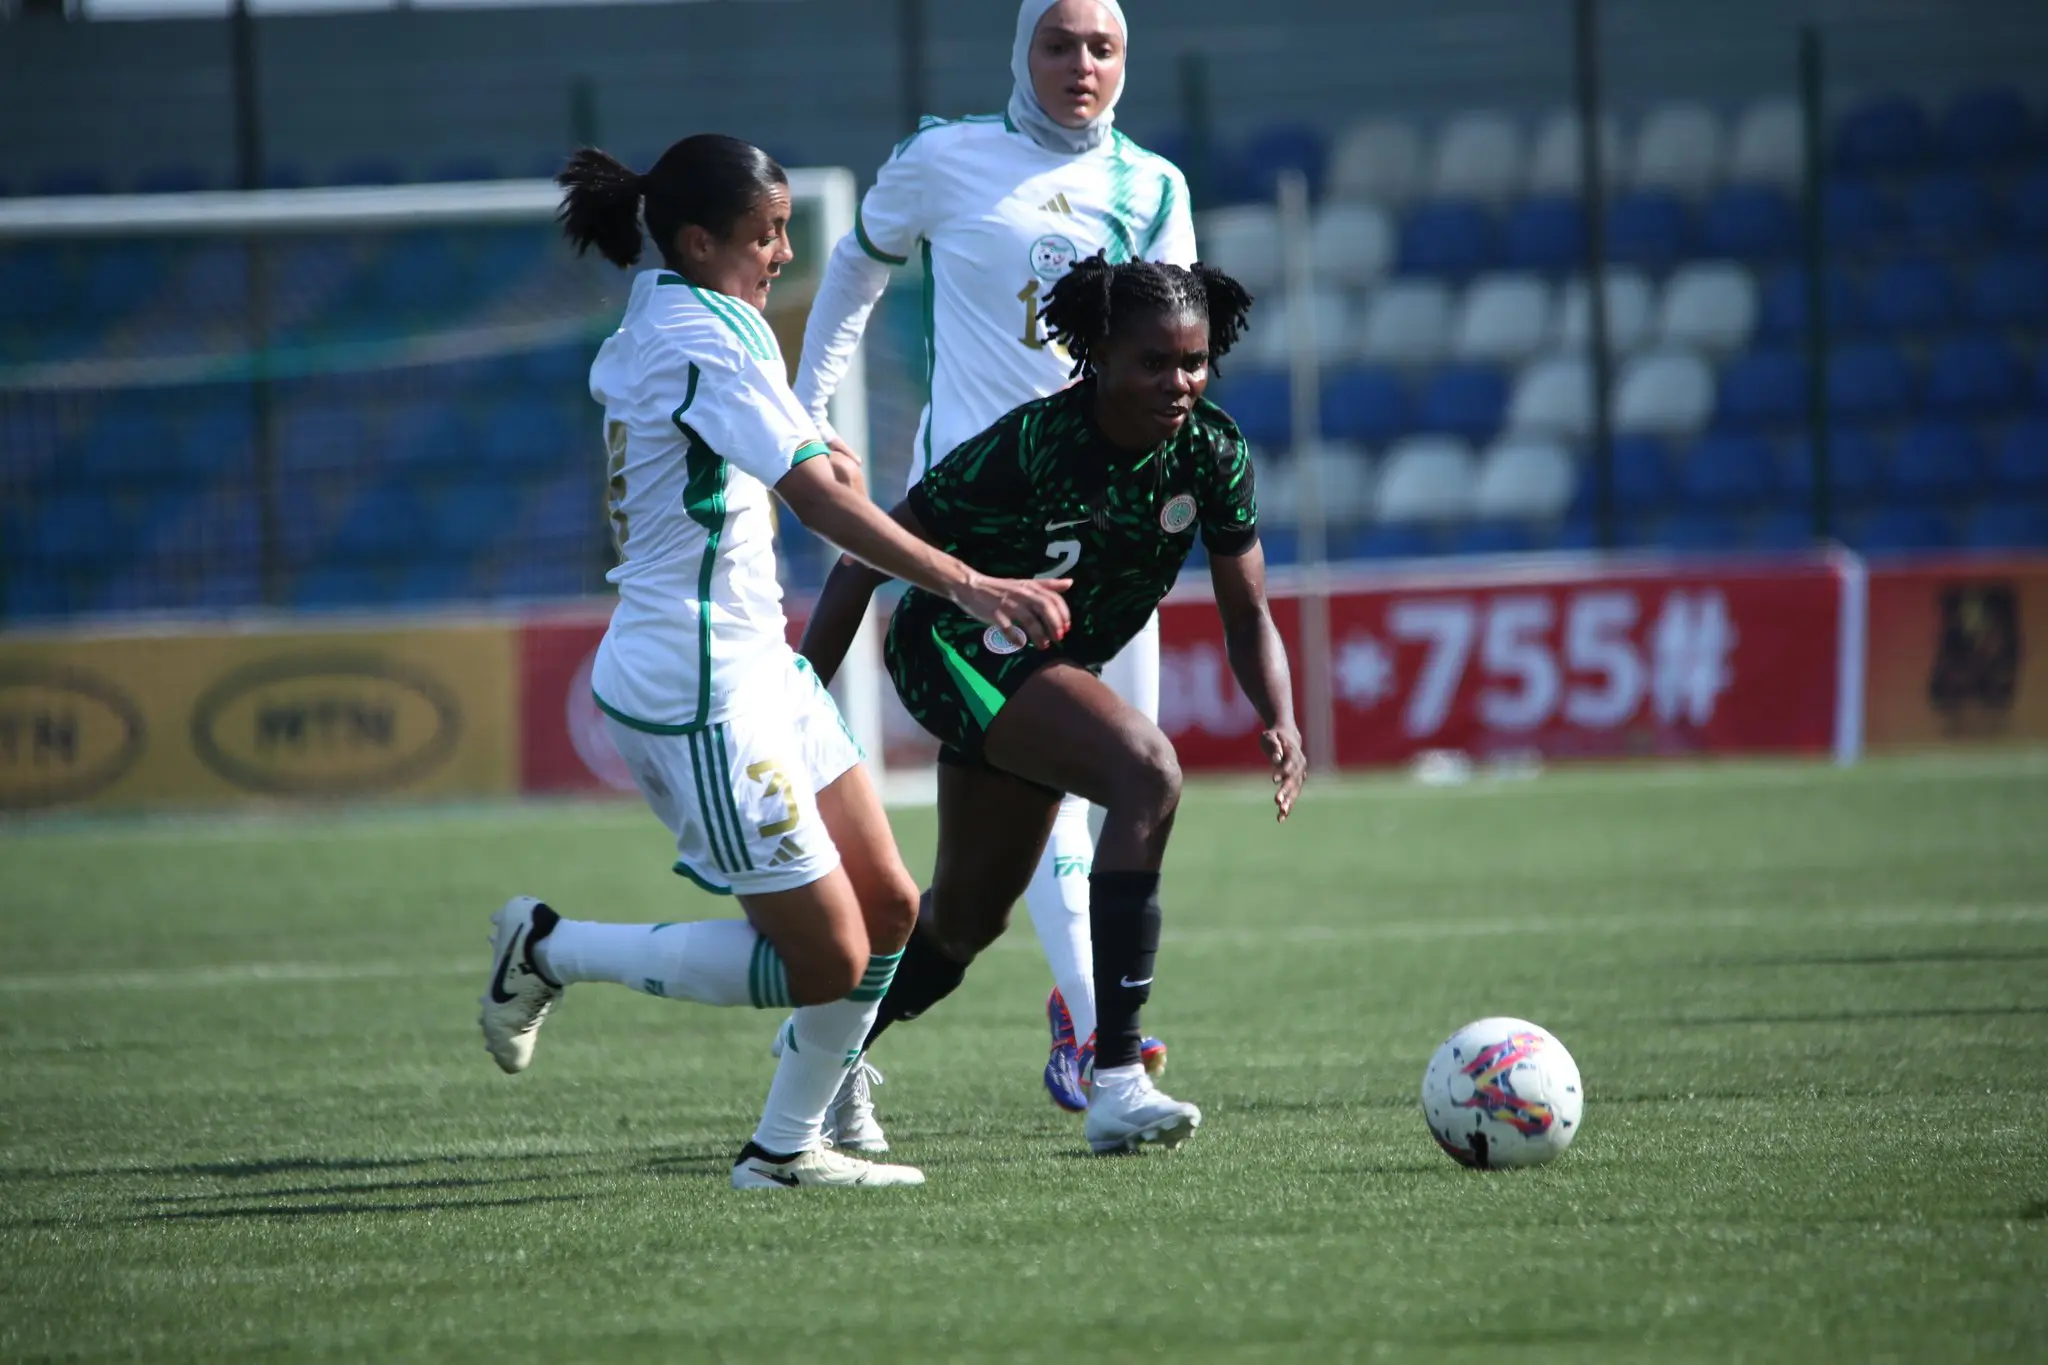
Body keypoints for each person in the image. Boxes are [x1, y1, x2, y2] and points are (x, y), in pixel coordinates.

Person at [476, 135, 1071, 1190]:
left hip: (761, 664)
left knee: (890, 911)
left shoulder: (693, 314)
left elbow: (763, 438)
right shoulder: (697, 335)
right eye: (767, 234)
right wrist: (966, 583)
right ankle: (550, 951)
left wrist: (809, 437)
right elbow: (811, 497)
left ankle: (787, 1148)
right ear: (700, 242)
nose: (786, 252)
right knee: (827, 959)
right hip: (697, 683)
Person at [799, 254, 1307, 1154]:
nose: (1179, 382)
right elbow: (858, 563)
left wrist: (1281, 713)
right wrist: (800, 710)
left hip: (1048, 667)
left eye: (1193, 362)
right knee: (1146, 770)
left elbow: (1250, 610)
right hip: (950, 646)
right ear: (1099, 355)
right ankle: (1116, 1075)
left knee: (961, 924)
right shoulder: (1029, 443)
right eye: (1154, 361)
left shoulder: (1214, 452)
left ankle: (820, 1055)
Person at [794, 0, 1198, 1118]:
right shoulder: (945, 159)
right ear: (1019, 50)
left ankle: (834, 1053)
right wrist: (804, 413)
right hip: (972, 551)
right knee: (1097, 785)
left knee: (1093, 810)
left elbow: (1175, 350)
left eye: (1102, 46)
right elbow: (854, 270)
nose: (1081, 65)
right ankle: (1101, 1052)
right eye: (1058, 42)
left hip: (1112, 551)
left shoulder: (1155, 187)